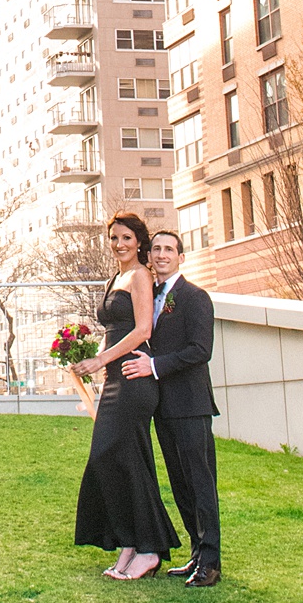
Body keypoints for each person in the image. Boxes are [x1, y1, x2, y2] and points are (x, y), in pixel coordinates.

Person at [74, 212, 179, 579]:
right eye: (114, 238)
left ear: (139, 242)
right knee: (116, 461)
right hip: (115, 378)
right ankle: (131, 544)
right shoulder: (114, 278)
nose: (119, 245)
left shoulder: (140, 276)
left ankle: (148, 548)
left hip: (135, 378)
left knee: (116, 458)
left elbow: (142, 329)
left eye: (126, 239)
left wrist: (101, 358)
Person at [124, 228, 222, 585]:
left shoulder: (195, 297)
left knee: (200, 485)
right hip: (163, 408)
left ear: (182, 256)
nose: (162, 254)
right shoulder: (150, 297)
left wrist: (154, 366)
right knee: (180, 486)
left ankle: (210, 564)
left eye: (169, 249)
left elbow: (200, 350)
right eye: (157, 249)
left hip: (192, 406)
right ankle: (196, 554)